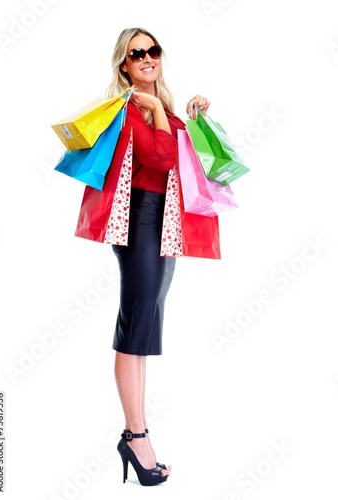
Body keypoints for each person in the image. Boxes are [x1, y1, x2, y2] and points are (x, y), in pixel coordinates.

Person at [106, 27, 210, 487]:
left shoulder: (158, 108)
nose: (147, 57)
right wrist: (154, 112)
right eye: (136, 53)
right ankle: (136, 436)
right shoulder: (131, 109)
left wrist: (193, 116)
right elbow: (163, 160)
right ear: (124, 65)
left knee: (144, 326)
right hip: (139, 222)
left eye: (153, 49)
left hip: (159, 222)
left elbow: (192, 157)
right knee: (135, 324)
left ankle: (136, 433)